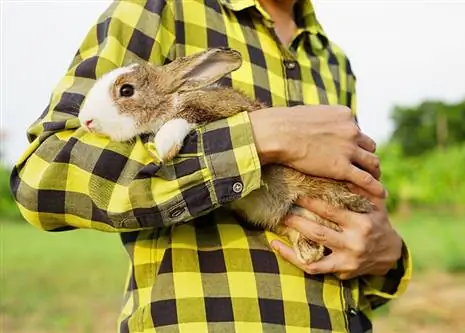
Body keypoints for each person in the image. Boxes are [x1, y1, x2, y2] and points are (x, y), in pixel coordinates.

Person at [10, 0, 411, 332]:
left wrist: (388, 256)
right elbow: (45, 175)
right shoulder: (159, 9)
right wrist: (262, 137)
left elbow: (357, 193)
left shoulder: (332, 59)